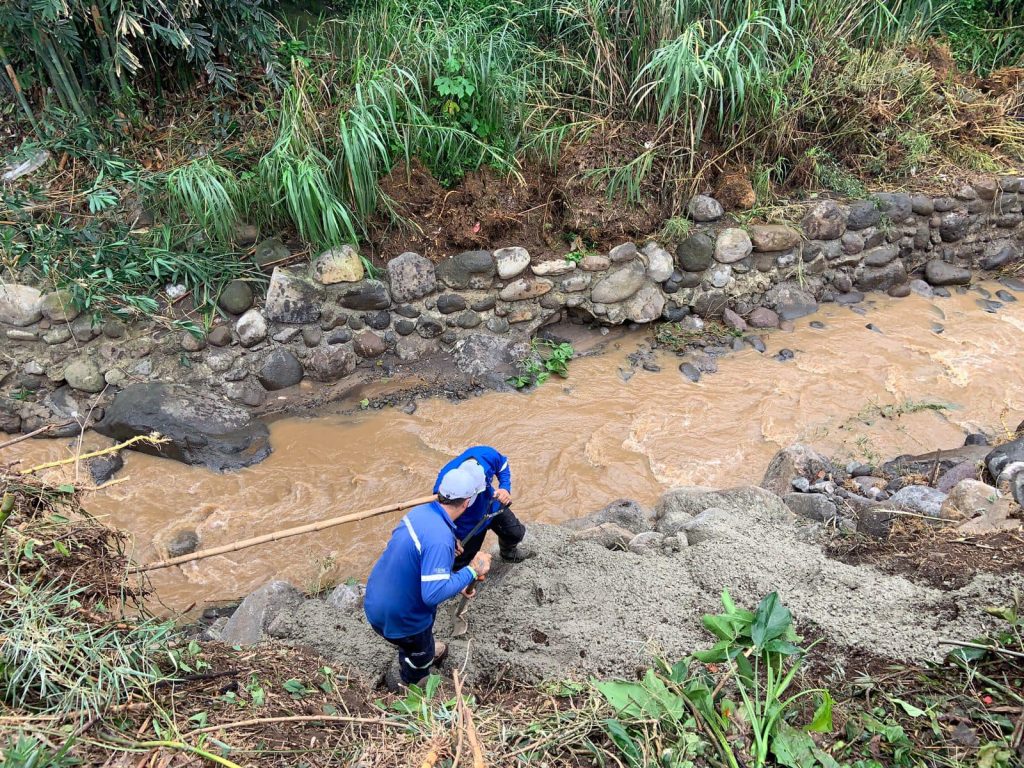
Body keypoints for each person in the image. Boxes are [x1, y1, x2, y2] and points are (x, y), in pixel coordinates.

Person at [364, 467, 492, 688]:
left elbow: (418, 555)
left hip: (375, 601)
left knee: (417, 644)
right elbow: (433, 594)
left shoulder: (420, 514)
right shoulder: (440, 539)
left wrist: (453, 565)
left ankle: (419, 652)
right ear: (467, 502)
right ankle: (411, 681)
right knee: (419, 655)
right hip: (403, 619)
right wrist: (472, 570)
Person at [433, 445, 530, 569]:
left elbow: (502, 465)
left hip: (491, 506)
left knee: (515, 533)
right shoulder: (444, 487)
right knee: (460, 558)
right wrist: (452, 538)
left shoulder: (486, 456)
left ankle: (507, 553)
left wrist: (505, 487)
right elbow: (439, 519)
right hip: (467, 525)